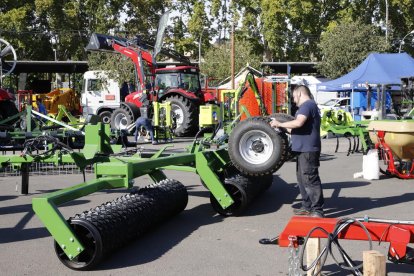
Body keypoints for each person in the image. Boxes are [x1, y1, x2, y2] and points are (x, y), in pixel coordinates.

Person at [270, 85, 324, 218]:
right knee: (302, 179)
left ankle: (317, 210)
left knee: (310, 179)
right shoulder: (308, 106)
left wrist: (280, 124)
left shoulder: (307, 105)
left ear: (299, 94)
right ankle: (307, 207)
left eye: (294, 97)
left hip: (308, 150)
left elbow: (298, 123)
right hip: (302, 149)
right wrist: (281, 128)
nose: (294, 100)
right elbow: (296, 129)